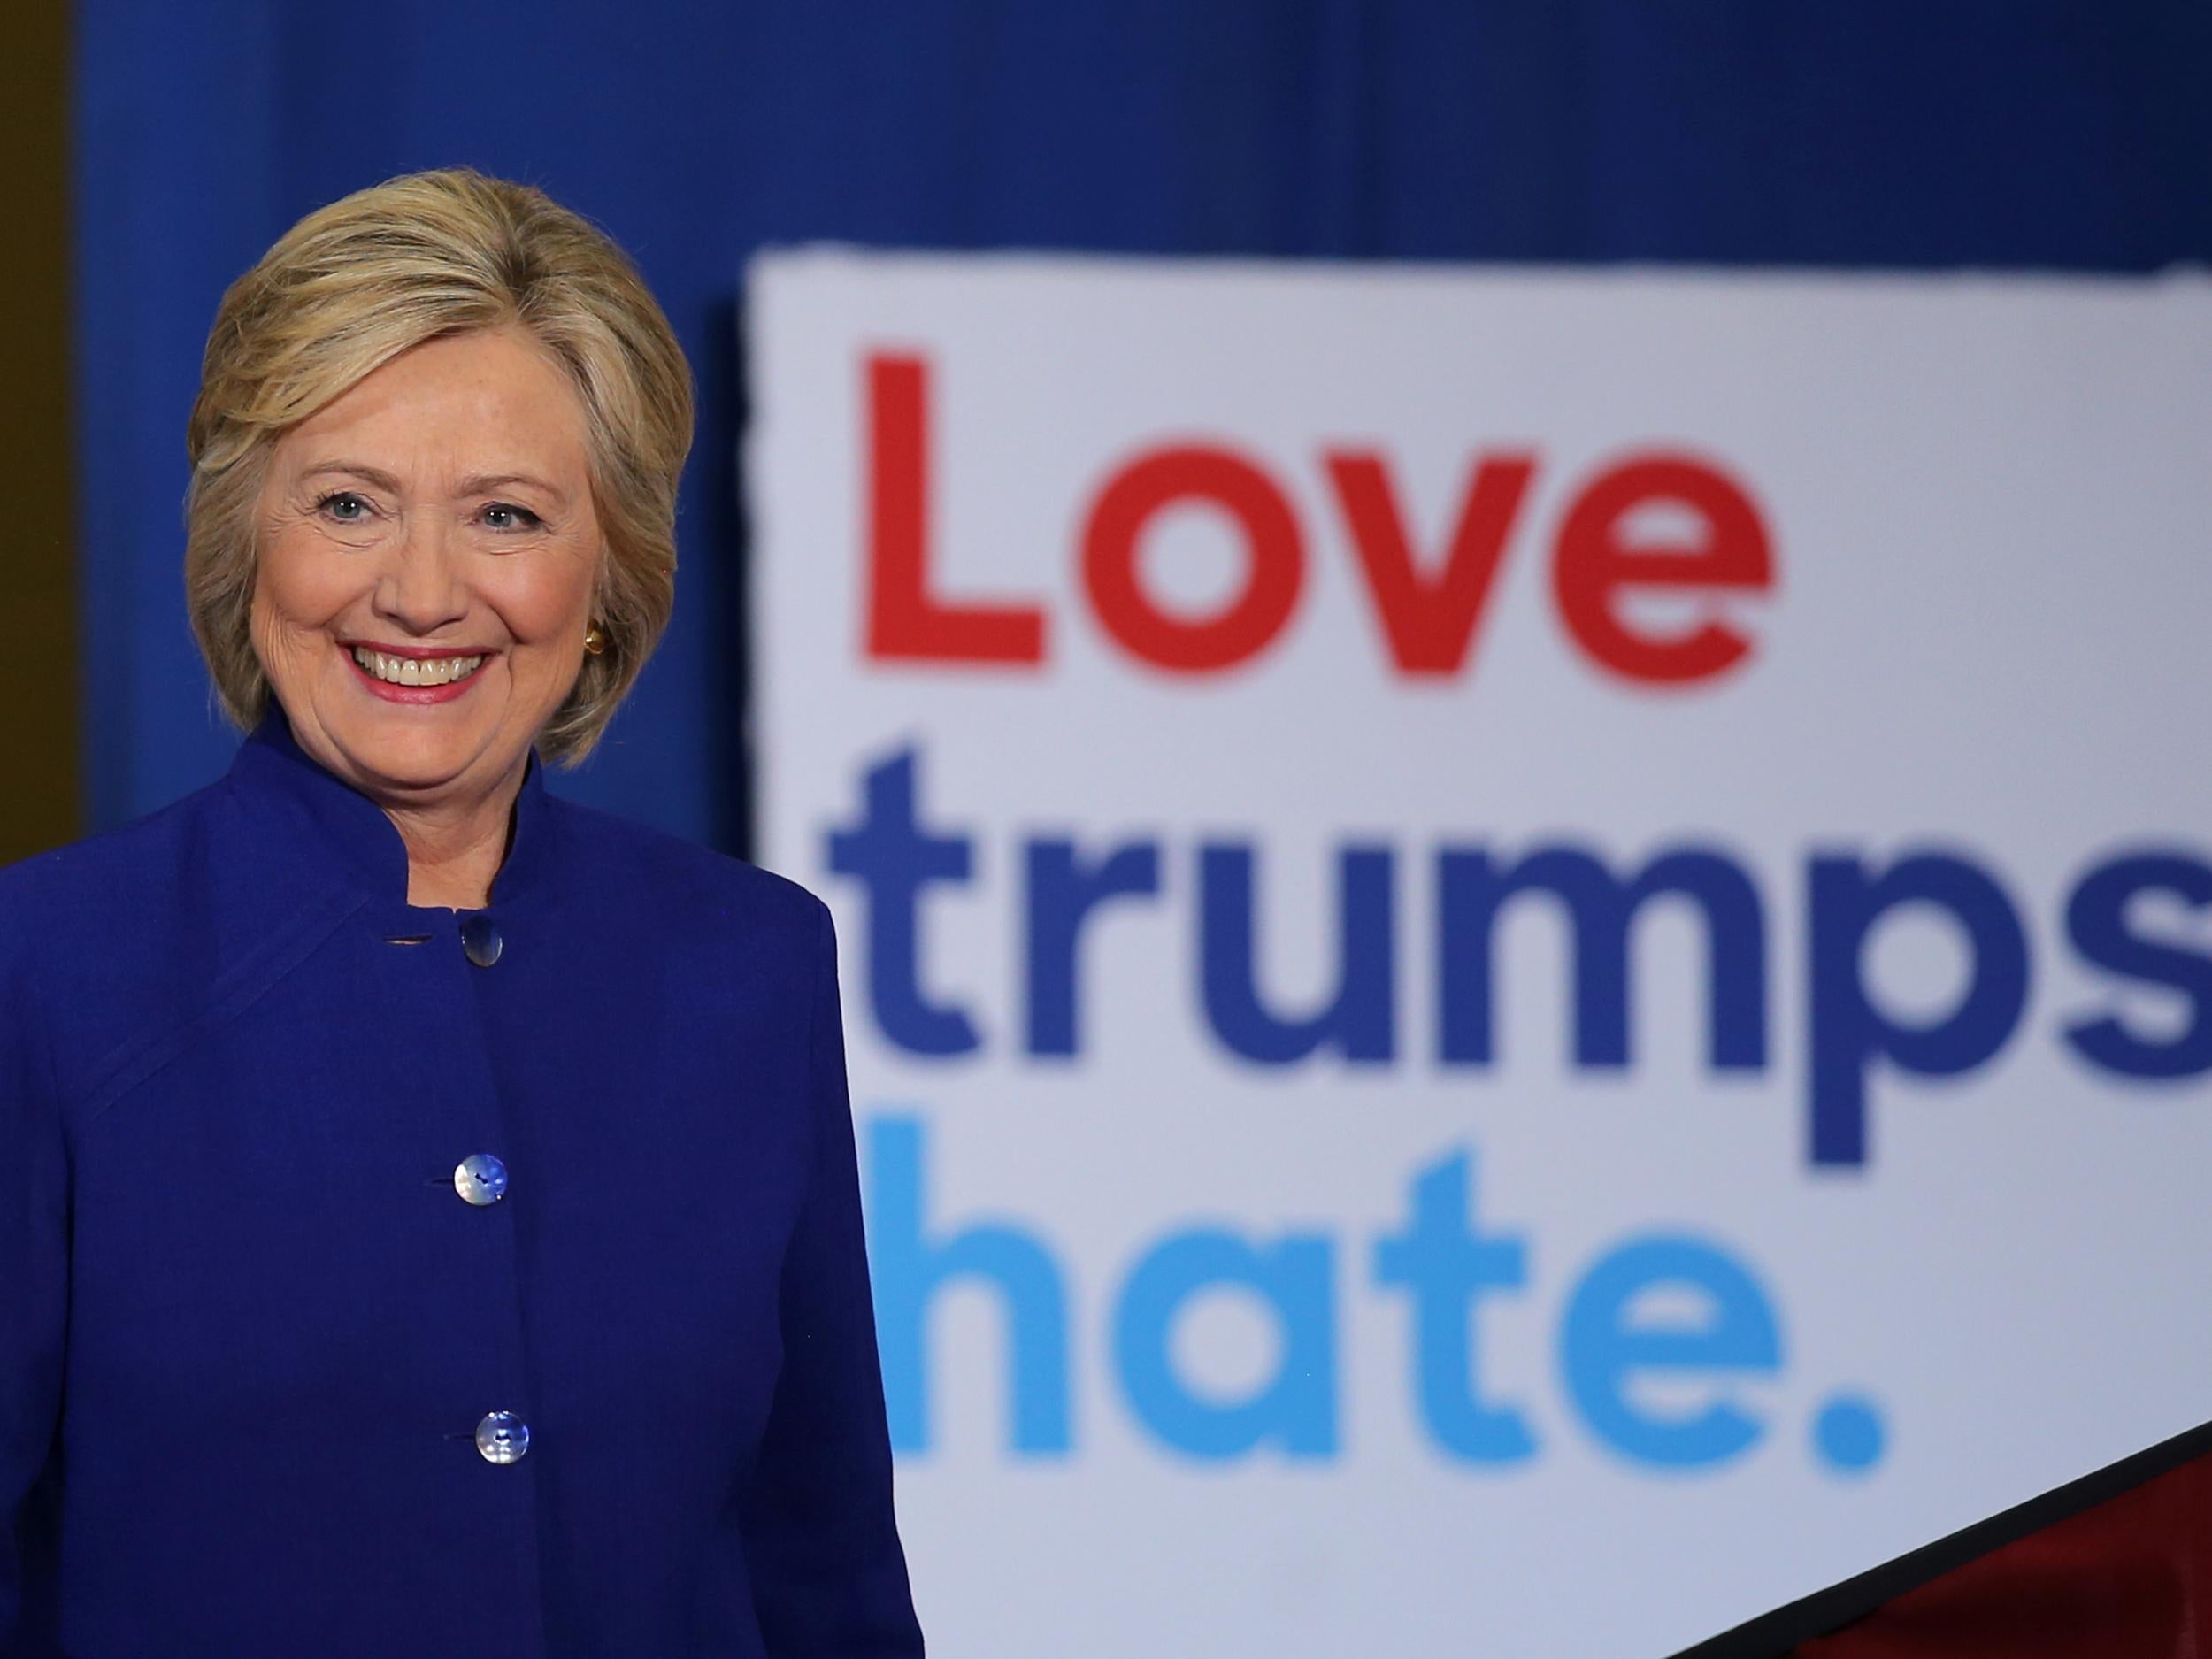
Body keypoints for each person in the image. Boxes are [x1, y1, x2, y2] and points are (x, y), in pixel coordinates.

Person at [0, 168, 923, 1658]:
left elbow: (820, 1571)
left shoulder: (748, 967)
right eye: (349, 504)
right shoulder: (45, 971)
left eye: (504, 515)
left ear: (609, 576)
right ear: (247, 552)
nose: (422, 593)